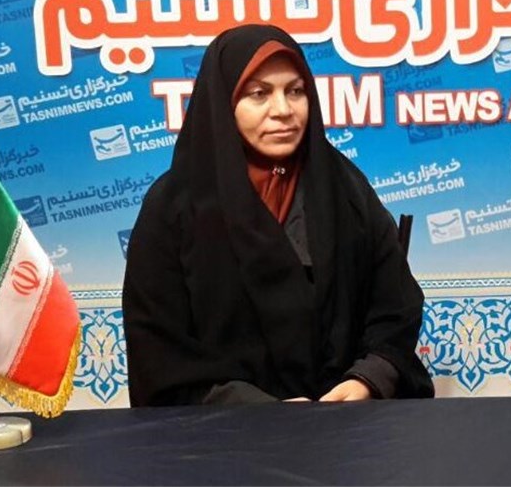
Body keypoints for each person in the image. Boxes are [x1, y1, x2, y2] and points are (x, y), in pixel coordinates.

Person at [122, 24, 434, 406]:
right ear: (224, 102)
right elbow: (159, 352)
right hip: (224, 434)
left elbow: (396, 308)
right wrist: (259, 411)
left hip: (344, 426)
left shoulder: (345, 190)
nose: (283, 110)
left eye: (295, 91)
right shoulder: (174, 207)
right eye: (259, 94)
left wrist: (368, 378)